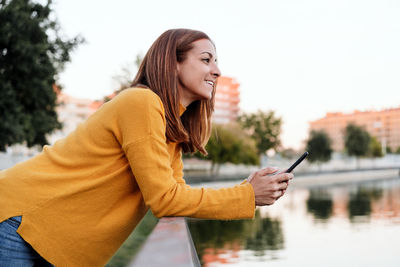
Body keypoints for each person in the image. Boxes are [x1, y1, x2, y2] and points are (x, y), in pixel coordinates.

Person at [0, 28, 293, 266]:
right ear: (173, 63)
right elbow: (164, 199)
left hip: (42, 236)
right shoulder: (141, 102)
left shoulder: (170, 130)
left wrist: (245, 191)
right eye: (206, 60)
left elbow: (177, 196)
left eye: (216, 62)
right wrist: (247, 195)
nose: (217, 71)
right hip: (21, 220)